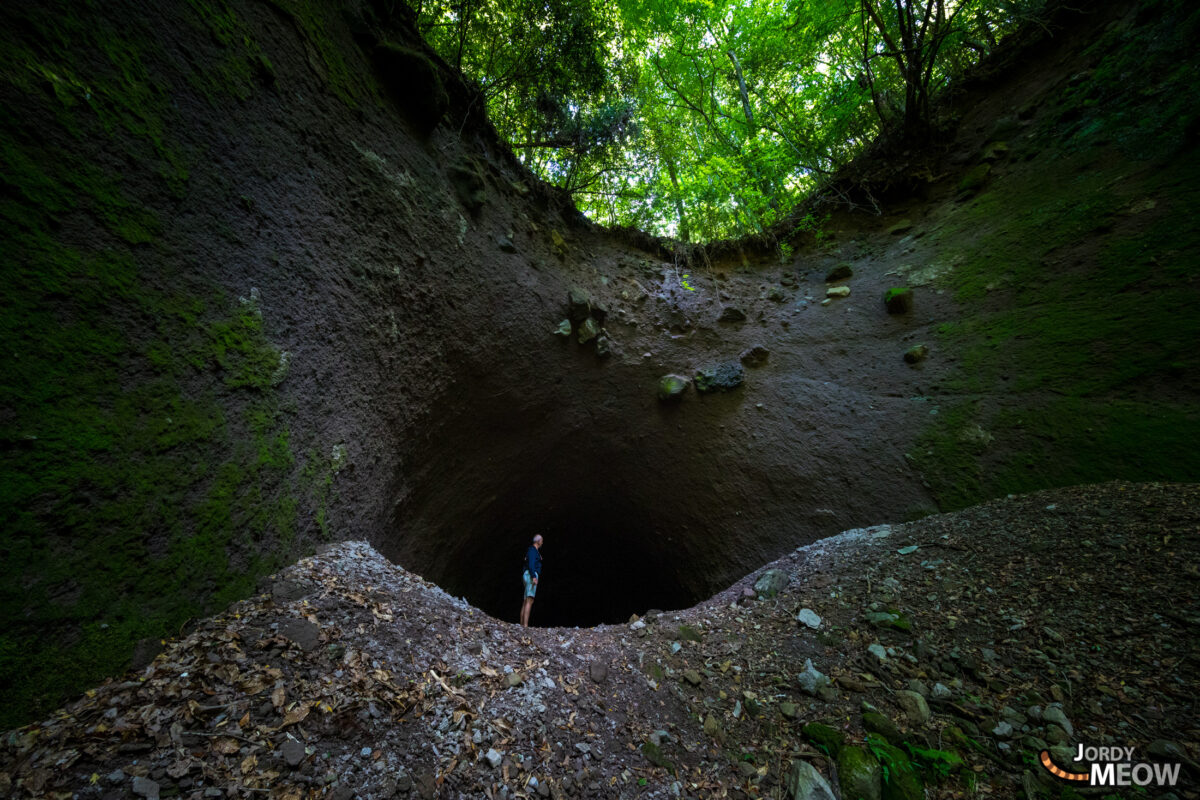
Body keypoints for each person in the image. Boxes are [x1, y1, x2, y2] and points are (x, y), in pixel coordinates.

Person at [520, 534, 543, 627]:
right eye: (541, 540)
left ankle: (522, 625)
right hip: (531, 575)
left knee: (526, 600)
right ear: (538, 541)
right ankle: (525, 626)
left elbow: (529, 560)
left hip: (528, 574)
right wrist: (534, 576)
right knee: (529, 600)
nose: (542, 542)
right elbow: (531, 563)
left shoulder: (532, 551)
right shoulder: (533, 550)